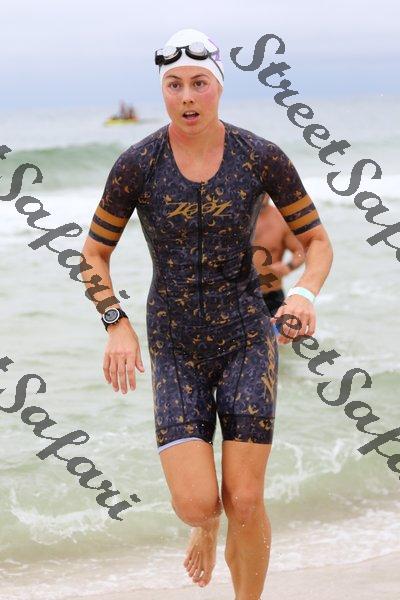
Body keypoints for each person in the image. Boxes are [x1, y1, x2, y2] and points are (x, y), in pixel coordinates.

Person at [81, 27, 333, 600]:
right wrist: (116, 323)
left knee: (244, 499)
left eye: (199, 82)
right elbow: (93, 254)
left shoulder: (260, 156)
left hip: (247, 337)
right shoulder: (137, 164)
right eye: (174, 85)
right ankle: (204, 526)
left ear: (218, 86)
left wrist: (303, 295)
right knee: (199, 503)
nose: (187, 97)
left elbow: (317, 242)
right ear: (162, 90)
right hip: (174, 344)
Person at [252, 193, 306, 333]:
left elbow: (300, 251)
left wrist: (289, 266)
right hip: (238, 297)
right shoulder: (234, 218)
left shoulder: (281, 220)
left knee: (278, 343)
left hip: (271, 297)